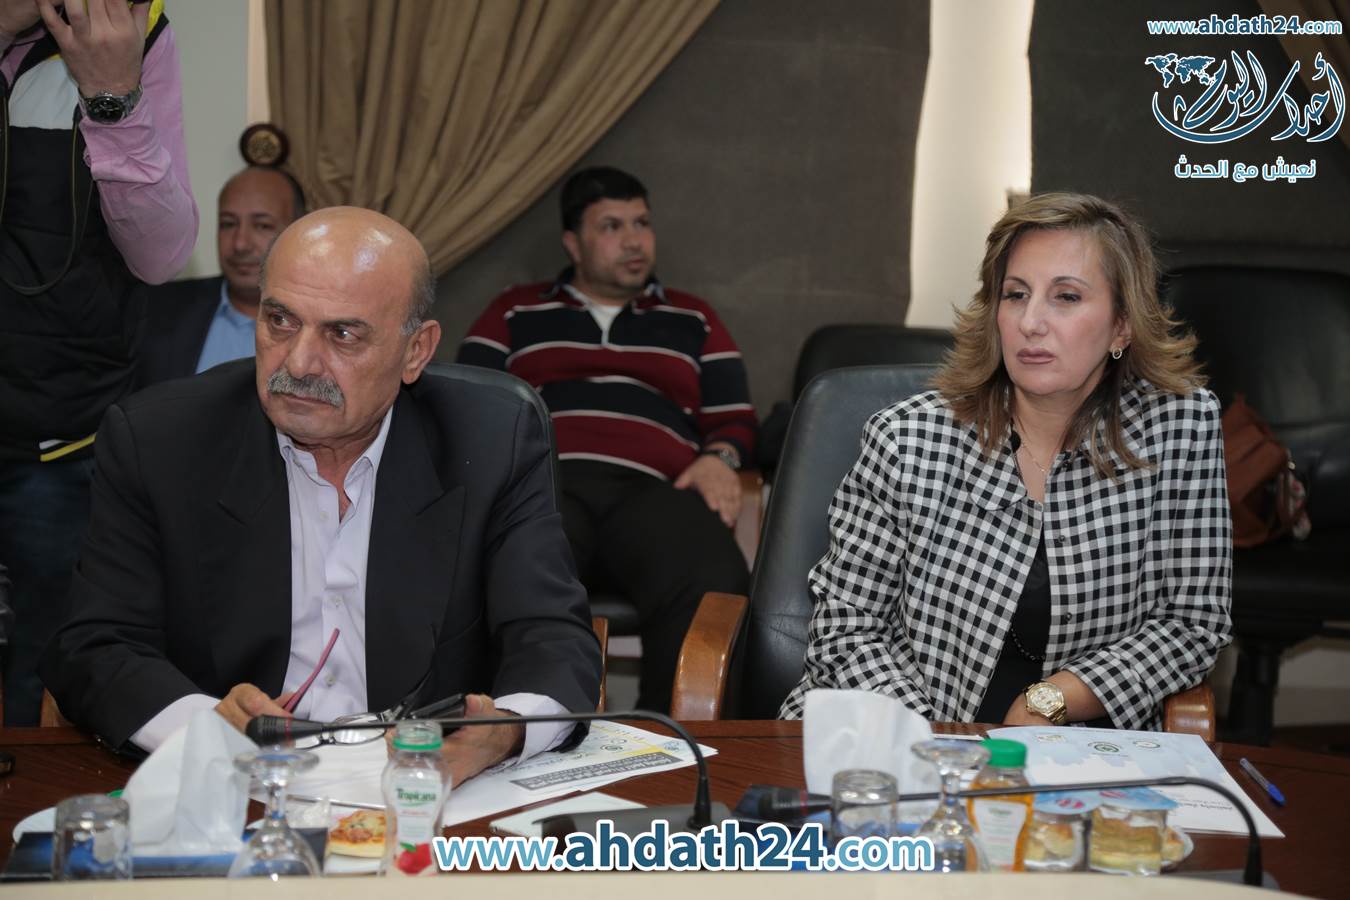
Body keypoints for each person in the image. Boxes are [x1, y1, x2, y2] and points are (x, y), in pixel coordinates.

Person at [42, 208, 602, 785]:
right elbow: (96, 644)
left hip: (426, 787)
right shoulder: (161, 441)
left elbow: (552, 637)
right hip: (238, 789)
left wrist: (503, 732)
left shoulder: (490, 441)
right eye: (280, 320)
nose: (299, 362)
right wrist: (206, 729)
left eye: (343, 334)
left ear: (416, 351)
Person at [782, 192, 1231, 731]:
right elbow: (846, 628)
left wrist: (1054, 699)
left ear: (1122, 325)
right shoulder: (907, 438)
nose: (1031, 322)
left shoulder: (1181, 428)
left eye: (1066, 297)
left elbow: (1192, 622)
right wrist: (940, 746)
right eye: (1016, 295)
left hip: (1082, 747)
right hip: (905, 728)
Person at [457, 166, 757, 713]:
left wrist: (721, 457)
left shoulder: (693, 317)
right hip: (546, 485)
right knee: (504, 567)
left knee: (712, 577)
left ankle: (669, 738)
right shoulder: (515, 310)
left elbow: (734, 418)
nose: (634, 241)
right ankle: (514, 726)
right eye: (612, 227)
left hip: (654, 491)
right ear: (573, 243)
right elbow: (468, 403)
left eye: (642, 223)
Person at [0, 0, 197, 724]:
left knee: (49, 677)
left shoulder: (133, 27)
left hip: (58, 438)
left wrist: (112, 100)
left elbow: (161, 255)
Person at [137, 166, 306, 387]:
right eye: (228, 224)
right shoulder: (156, 309)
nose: (240, 244)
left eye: (262, 225)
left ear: (299, 232)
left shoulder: (330, 322)